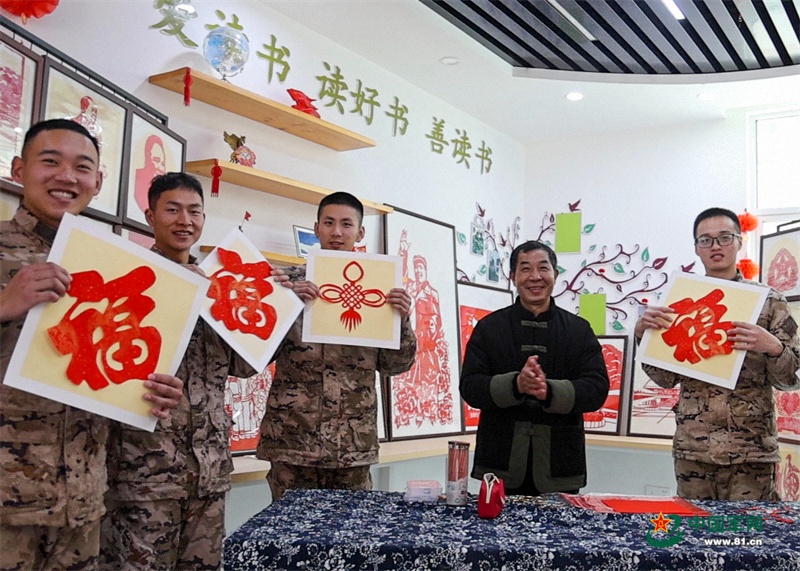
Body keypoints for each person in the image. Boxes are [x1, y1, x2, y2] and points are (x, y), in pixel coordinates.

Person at [0, 119, 183, 571]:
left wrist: (152, 392)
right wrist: (3, 305)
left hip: (84, 503)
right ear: (19, 169)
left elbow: (116, 385)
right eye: (50, 161)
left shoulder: (116, 263)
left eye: (82, 167)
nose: (66, 176)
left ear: (98, 182)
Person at [100, 172, 256, 570]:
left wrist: (273, 306)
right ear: (150, 216)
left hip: (209, 473)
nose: (185, 220)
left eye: (194, 211)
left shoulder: (217, 287)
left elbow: (244, 365)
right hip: (145, 474)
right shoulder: (129, 279)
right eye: (172, 210)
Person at [257, 191, 417, 501]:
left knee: (350, 530)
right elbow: (255, 356)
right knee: (288, 530)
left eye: (346, 224)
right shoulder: (287, 283)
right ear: (316, 228)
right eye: (329, 223)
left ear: (360, 232)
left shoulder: (382, 287)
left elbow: (396, 365)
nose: (337, 232)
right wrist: (282, 305)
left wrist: (402, 319)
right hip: (294, 440)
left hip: (352, 445)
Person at [635, 207, 800, 501]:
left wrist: (772, 347)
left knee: (750, 529)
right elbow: (664, 379)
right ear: (696, 248)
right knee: (696, 529)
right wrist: (642, 337)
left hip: (752, 450)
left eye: (724, 237)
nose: (715, 246)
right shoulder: (679, 301)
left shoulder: (769, 301)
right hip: (694, 449)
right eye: (706, 240)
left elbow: (789, 380)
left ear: (739, 241)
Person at [460, 240, 609, 495]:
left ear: (555, 274)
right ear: (513, 276)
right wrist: (516, 384)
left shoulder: (579, 330)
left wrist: (549, 391)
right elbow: (470, 386)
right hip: (500, 464)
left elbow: (597, 389)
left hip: (560, 466)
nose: (535, 277)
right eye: (525, 269)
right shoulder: (489, 328)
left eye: (543, 268)